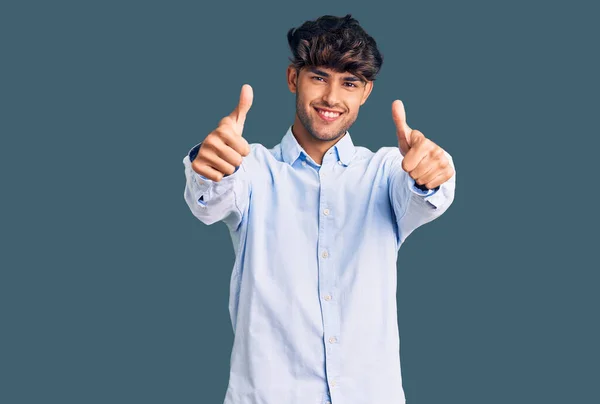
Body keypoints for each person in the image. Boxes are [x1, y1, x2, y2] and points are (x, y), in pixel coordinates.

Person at [182, 14, 456, 404]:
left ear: (366, 93)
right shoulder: (254, 169)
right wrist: (209, 166)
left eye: (349, 83)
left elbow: (426, 195)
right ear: (294, 79)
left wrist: (434, 173)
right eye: (319, 77)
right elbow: (208, 201)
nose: (331, 97)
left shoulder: (385, 172)